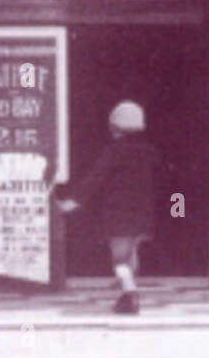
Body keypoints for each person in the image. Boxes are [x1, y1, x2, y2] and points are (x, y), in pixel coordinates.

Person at [56, 101, 162, 315]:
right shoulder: (150, 151)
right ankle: (126, 287)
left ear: (115, 127)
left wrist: (74, 201)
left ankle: (130, 293)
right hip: (143, 212)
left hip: (119, 212)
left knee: (119, 258)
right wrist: (176, 208)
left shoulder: (115, 151)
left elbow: (95, 178)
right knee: (131, 251)